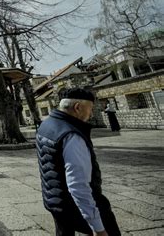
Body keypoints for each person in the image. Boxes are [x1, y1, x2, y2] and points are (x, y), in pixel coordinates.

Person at [36, 88, 121, 236]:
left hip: (55, 199)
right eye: (91, 109)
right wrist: (98, 227)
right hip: (72, 204)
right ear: (77, 107)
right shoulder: (71, 135)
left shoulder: (46, 124)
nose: (91, 114)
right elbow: (78, 184)